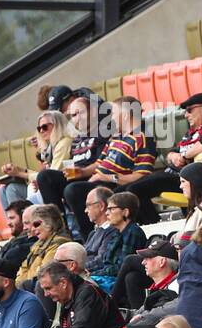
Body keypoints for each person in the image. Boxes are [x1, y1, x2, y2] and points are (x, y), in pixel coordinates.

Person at [63, 96, 159, 233]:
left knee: (73, 190)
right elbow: (99, 163)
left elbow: (142, 175)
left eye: (113, 113)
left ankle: (90, 235)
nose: (111, 117)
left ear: (125, 115)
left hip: (115, 184)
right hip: (98, 180)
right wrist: (83, 172)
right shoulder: (115, 136)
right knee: (59, 182)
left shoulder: (143, 138)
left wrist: (107, 177)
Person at [0, 110, 75, 209]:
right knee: (2, 191)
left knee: (12, 189)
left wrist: (19, 173)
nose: (41, 131)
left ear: (57, 125)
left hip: (60, 188)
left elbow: (50, 176)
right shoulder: (50, 147)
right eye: (39, 128)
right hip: (46, 186)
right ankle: (15, 221)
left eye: (45, 127)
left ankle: (25, 222)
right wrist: (21, 170)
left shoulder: (64, 143)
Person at [88, 192, 147, 292]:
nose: (107, 213)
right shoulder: (116, 232)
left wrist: (93, 274)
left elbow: (121, 267)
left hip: (116, 281)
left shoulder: (133, 232)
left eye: (111, 209)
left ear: (125, 212)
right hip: (107, 278)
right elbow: (105, 262)